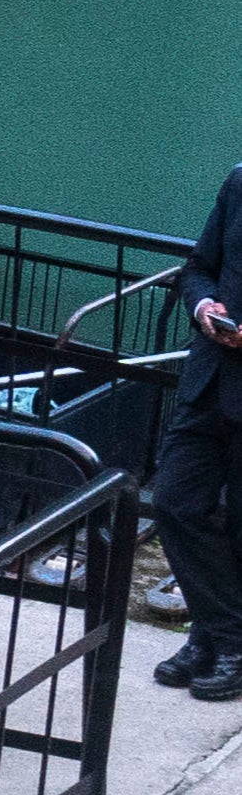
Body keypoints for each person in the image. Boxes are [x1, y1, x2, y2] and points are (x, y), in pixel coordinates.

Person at [155, 167, 242, 699]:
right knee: (174, 503)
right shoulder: (239, 183)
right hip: (209, 379)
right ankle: (223, 634)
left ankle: (215, 639)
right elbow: (198, 269)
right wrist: (204, 306)